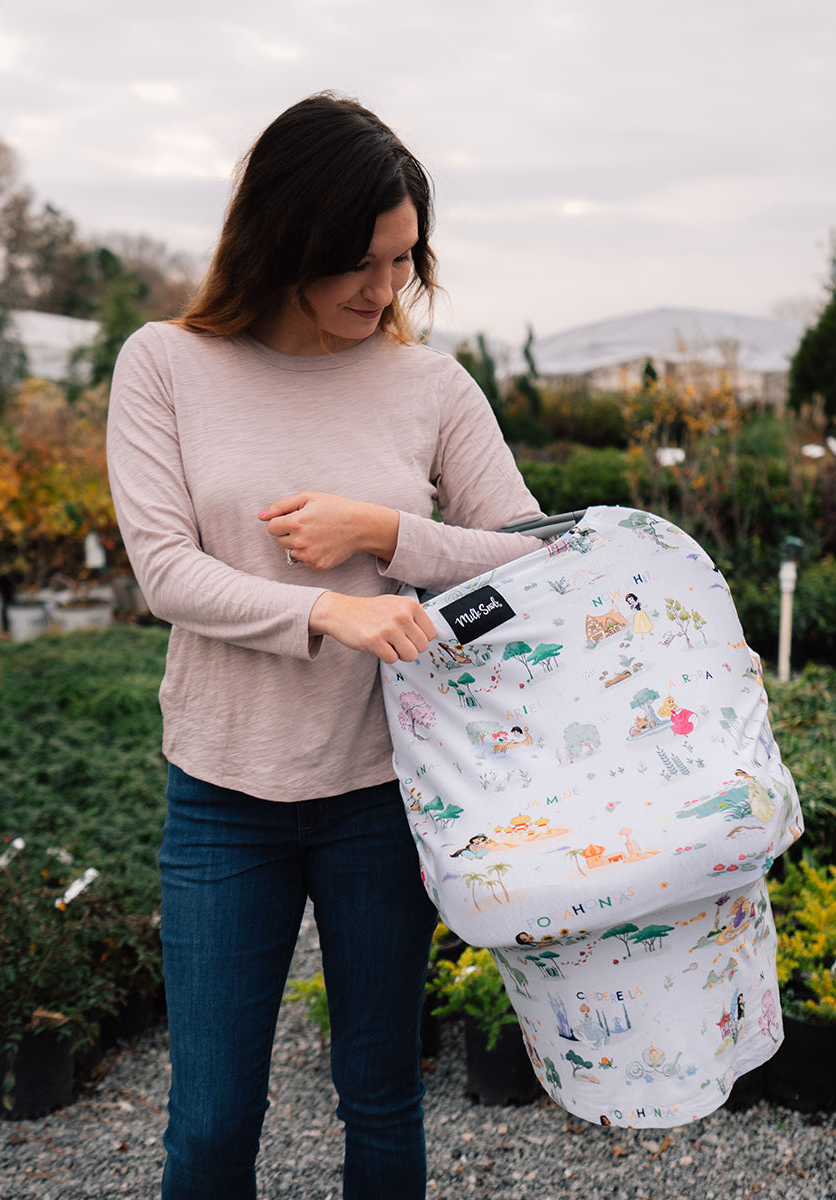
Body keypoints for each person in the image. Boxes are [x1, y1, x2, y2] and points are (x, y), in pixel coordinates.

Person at [106, 93, 543, 1200]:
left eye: (403, 261)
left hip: (385, 793)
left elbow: (529, 558)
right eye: (356, 261)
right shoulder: (165, 364)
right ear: (281, 236)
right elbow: (164, 571)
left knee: (382, 1099)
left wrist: (384, 533)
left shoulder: (433, 387)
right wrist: (324, 609)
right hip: (221, 796)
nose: (383, 289)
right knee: (210, 1123)